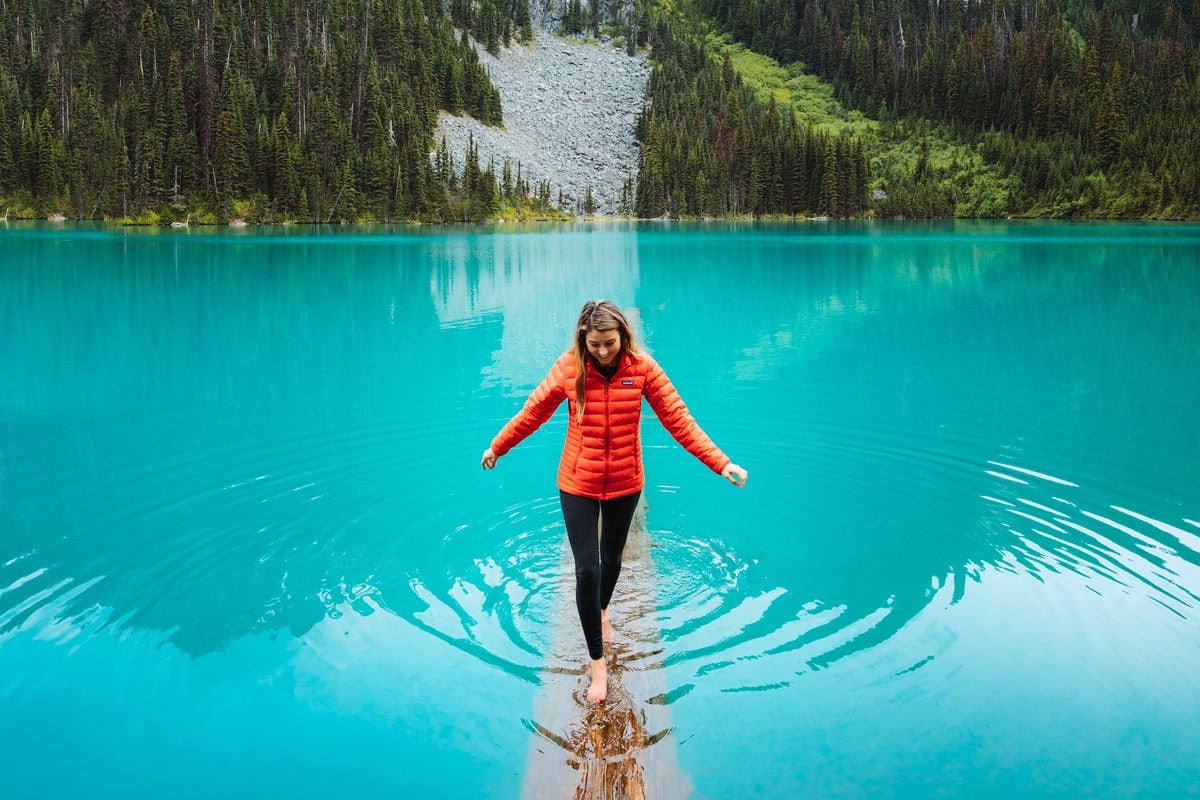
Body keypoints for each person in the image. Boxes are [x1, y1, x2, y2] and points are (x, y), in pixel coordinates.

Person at [481, 300, 747, 704]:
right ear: (582, 340)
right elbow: (533, 412)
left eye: (609, 343)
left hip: (625, 482)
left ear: (623, 336)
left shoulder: (642, 369)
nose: (603, 351)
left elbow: (680, 420)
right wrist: (498, 446)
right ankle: (598, 666)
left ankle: (602, 610)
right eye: (595, 344)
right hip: (578, 482)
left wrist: (721, 463)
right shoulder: (570, 368)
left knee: (614, 560)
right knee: (587, 572)